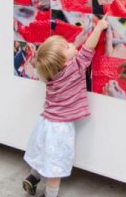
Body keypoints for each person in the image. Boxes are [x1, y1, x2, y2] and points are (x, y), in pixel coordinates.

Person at [22, 16, 108, 197]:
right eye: (68, 46)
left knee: (42, 154)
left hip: (44, 122)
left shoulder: (50, 74)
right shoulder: (75, 68)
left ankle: (32, 178)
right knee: (55, 166)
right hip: (60, 128)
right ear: (65, 63)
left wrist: (73, 44)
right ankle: (50, 194)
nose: (71, 43)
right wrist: (99, 28)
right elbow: (88, 48)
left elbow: (75, 49)